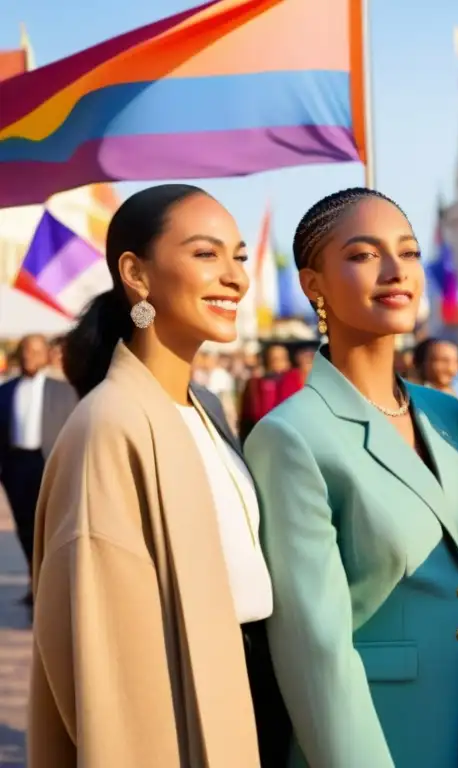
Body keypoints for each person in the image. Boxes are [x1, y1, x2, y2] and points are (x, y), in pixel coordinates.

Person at [29, 185, 280, 767]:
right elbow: (107, 666)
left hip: (253, 691)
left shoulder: (207, 410)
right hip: (183, 707)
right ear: (136, 275)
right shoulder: (108, 425)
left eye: (239, 256)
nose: (235, 278)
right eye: (206, 254)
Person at [244, 188, 458, 768]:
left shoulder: (449, 416)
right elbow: (313, 651)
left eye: (408, 251)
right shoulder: (292, 435)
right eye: (363, 254)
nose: (396, 270)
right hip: (372, 734)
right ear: (312, 284)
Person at [0, 334, 77, 578]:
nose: (27, 356)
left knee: (50, 524)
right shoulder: (6, 390)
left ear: (46, 355)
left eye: (34, 351)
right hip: (15, 466)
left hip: (48, 464)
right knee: (24, 525)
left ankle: (48, 580)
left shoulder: (64, 392)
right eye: (24, 350)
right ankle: (35, 578)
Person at [238, 342, 302, 441]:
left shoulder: (295, 382)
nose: (276, 363)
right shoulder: (254, 385)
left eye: (280, 359)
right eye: (272, 359)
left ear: (287, 361)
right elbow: (246, 419)